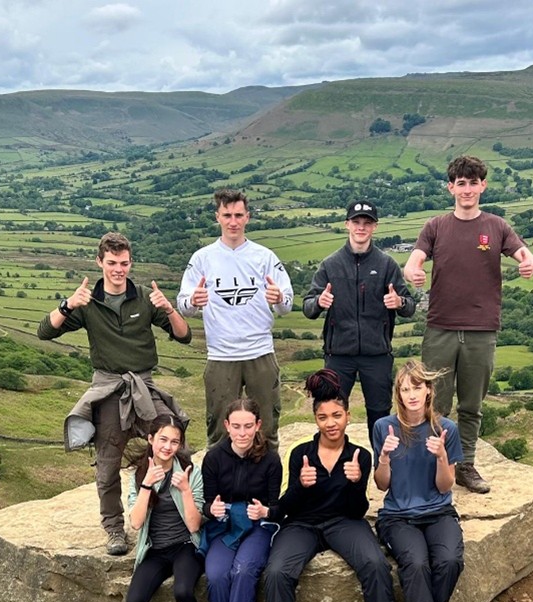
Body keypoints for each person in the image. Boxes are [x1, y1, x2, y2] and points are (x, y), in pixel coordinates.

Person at [37, 231, 191, 556]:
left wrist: (169, 309)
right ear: (100, 262)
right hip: (108, 389)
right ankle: (114, 530)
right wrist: (68, 305)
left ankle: (174, 518)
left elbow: (184, 335)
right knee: (107, 467)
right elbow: (45, 331)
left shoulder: (145, 299)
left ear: (130, 263)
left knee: (177, 446)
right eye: (111, 263)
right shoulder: (87, 303)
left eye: (123, 263)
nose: (118, 269)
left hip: (144, 386)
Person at [403, 156, 533, 494]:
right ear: (451, 187)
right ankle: (434, 466)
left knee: (471, 406)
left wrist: (531, 264)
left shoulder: (497, 226)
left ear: (483, 186)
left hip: (482, 329)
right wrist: (413, 270)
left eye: (473, 183)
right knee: (435, 403)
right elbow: (413, 261)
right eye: (461, 183)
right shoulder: (436, 226)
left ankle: (465, 465)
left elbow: (527, 256)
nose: (467, 189)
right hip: (441, 327)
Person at [264, 369, 400, 602]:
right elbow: (283, 509)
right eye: (323, 417)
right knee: (277, 572)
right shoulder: (300, 453)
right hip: (302, 524)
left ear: (348, 416)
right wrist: (301, 486)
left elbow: (357, 509)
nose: (330, 423)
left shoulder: (360, 456)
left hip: (344, 522)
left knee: (375, 565)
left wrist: (354, 483)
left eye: (337, 415)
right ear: (315, 419)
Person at [373, 360, 464, 602]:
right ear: (398, 394)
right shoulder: (384, 427)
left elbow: (445, 486)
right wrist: (384, 457)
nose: (411, 394)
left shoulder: (446, 429)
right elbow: (382, 485)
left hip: (438, 512)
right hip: (398, 517)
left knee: (450, 561)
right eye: (405, 389)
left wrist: (441, 456)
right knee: (416, 564)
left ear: (428, 390)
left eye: (417, 387)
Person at [177, 188, 294, 450]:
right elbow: (184, 306)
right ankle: (220, 477)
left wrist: (278, 298)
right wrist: (193, 301)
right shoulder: (202, 259)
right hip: (221, 355)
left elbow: (286, 305)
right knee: (219, 430)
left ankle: (267, 476)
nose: (233, 222)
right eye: (227, 215)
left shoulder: (265, 257)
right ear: (217, 217)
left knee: (267, 427)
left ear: (247, 217)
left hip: (260, 352)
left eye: (238, 215)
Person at [124, 415, 218, 602]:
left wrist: (186, 490)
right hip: (155, 550)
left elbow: (194, 524)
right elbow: (136, 523)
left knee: (183, 592)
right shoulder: (139, 475)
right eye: (163, 439)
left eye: (174, 442)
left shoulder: (190, 470)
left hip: (185, 547)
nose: (168, 446)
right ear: (151, 439)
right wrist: (146, 486)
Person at [303, 199, 415, 440]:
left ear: (375, 227)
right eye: (356, 222)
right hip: (338, 355)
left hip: (377, 355)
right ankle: (334, 460)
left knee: (380, 415)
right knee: (332, 413)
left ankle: (381, 461)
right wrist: (319, 302)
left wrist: (399, 302)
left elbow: (409, 306)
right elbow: (308, 307)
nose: (361, 227)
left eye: (367, 222)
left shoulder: (386, 264)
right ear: (347, 224)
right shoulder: (330, 265)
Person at [201, 398, 282, 602]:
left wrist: (265, 512)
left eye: (248, 426)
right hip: (225, 528)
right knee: (217, 576)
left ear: (258, 425)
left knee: (244, 569)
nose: (242, 433)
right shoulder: (213, 458)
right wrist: (211, 509)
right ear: (226, 426)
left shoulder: (270, 459)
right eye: (236, 426)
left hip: (258, 528)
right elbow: (207, 503)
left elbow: (277, 507)